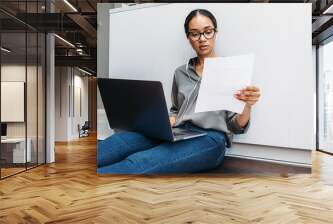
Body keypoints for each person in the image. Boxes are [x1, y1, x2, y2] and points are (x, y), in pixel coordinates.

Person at [97, 9, 261, 174]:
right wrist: (170, 120)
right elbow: (176, 110)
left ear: (215, 33)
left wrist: (247, 106)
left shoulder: (231, 70)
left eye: (208, 32)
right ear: (188, 38)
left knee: (140, 161)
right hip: (178, 131)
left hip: (210, 139)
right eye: (195, 34)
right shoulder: (180, 73)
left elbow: (236, 126)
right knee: (120, 141)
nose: (202, 38)